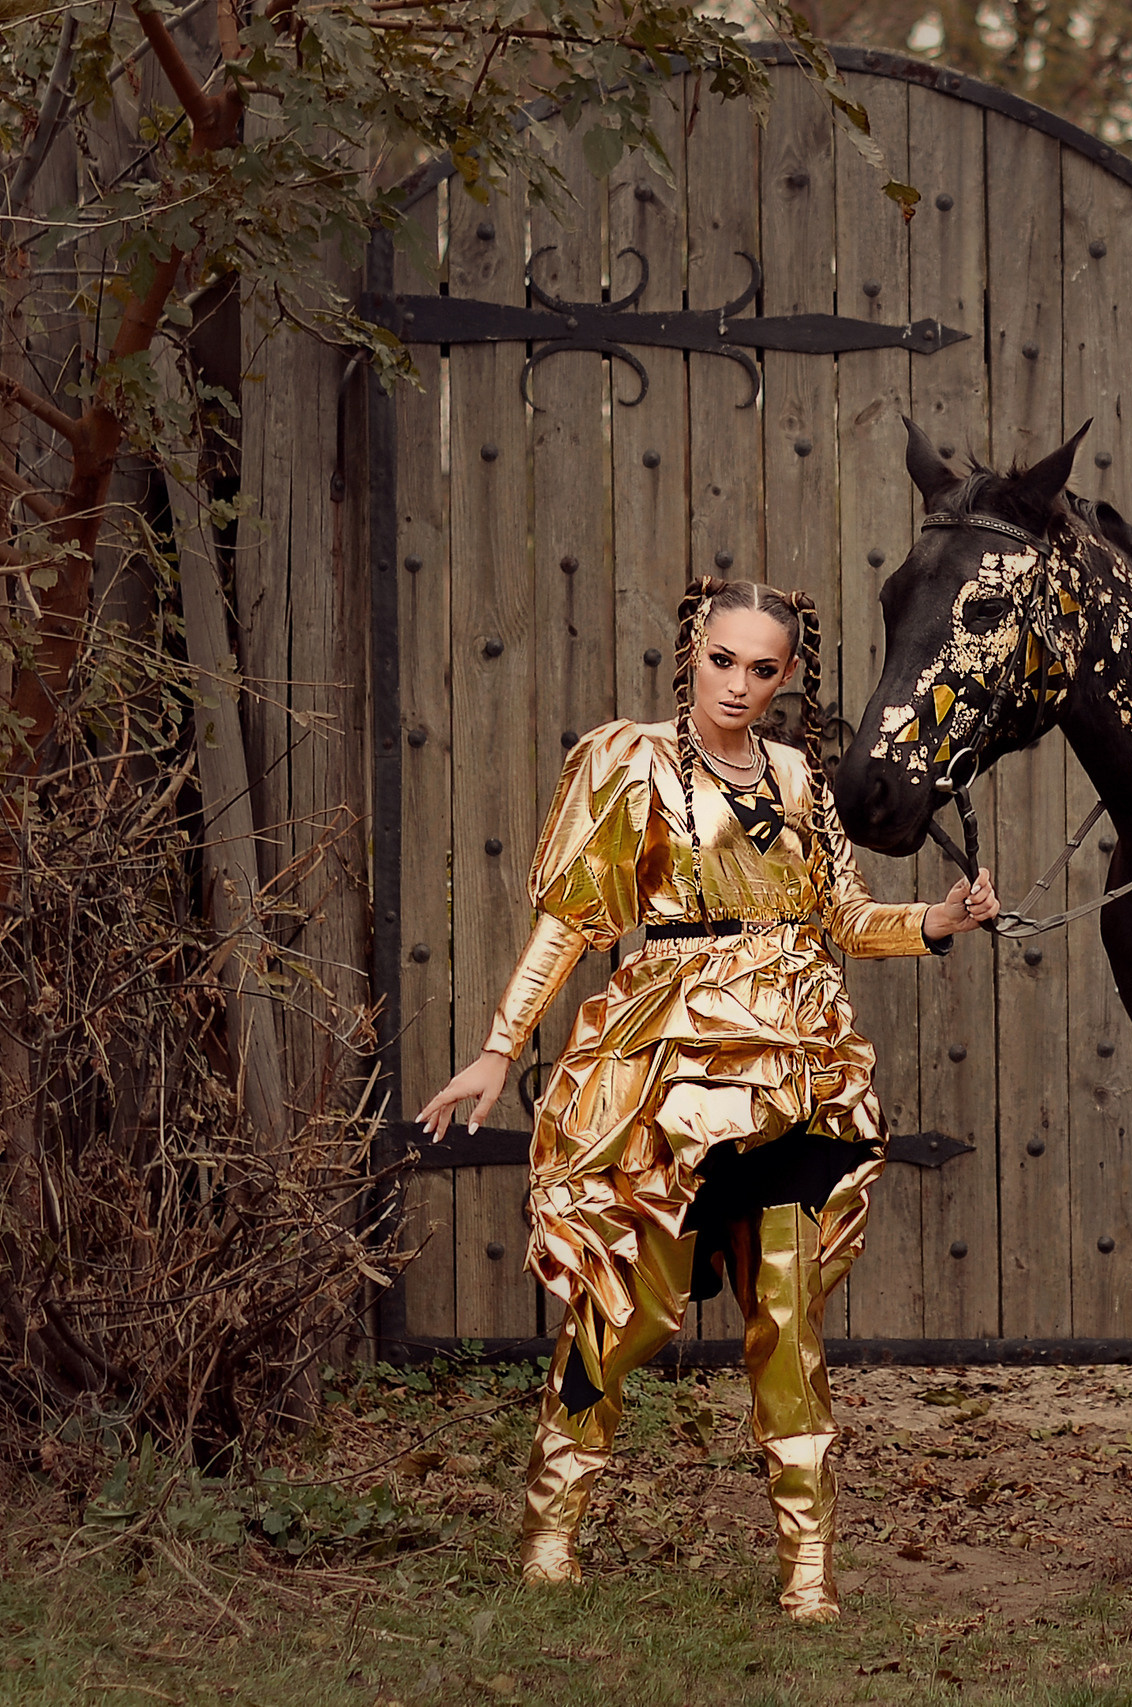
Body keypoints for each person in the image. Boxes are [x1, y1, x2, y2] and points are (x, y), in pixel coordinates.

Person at [415, 578, 997, 1620]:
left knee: (788, 1313)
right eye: (723, 660)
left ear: (785, 676)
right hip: (675, 1067)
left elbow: (845, 918)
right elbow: (573, 920)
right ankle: (552, 1526)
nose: (739, 685)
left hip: (794, 1073)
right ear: (691, 650)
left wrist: (938, 921)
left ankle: (809, 1568)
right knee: (627, 1307)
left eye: (762, 668)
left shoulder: (797, 776)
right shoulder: (627, 759)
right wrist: (499, 1052)